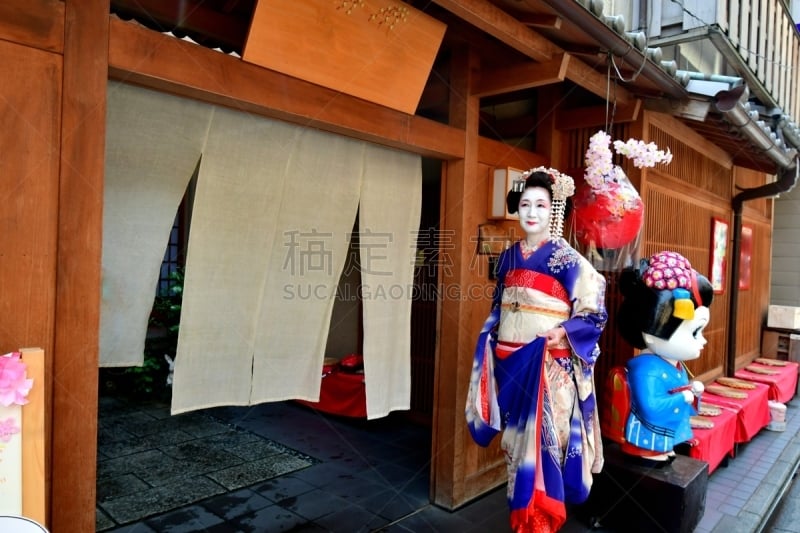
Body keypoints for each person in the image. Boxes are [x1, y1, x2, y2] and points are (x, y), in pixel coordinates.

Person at [466, 167, 608, 533]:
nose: (531, 213)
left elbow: (594, 313)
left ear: (554, 210)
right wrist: (490, 338)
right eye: (525, 204)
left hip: (549, 371)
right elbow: (499, 308)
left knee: (547, 452)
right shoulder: (509, 257)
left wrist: (564, 330)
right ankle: (521, 521)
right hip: (511, 365)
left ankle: (540, 525)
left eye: (541, 205)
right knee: (515, 452)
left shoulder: (569, 260)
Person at [615, 251, 713, 461]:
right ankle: (649, 451)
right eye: (695, 332)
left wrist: (693, 394)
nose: (703, 340)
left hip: (666, 434)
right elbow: (651, 407)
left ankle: (664, 449)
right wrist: (683, 397)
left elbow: (682, 395)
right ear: (653, 331)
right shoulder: (646, 370)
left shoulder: (675, 364)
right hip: (647, 435)